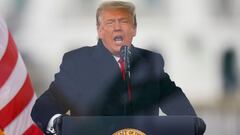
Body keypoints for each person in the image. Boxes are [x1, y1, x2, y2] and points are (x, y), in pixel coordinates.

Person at [31, 1, 196, 134]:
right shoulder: (78, 63)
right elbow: (44, 108)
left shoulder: (150, 62)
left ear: (134, 29)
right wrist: (58, 125)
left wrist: (191, 126)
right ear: (100, 31)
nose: (117, 27)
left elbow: (183, 112)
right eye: (110, 22)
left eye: (124, 21)